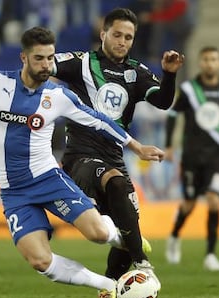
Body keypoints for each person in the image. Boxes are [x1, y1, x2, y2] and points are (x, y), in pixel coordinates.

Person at [0, 26, 165, 298]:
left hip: (49, 179)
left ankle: (126, 237)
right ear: (23, 58)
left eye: (49, 58)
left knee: (97, 235)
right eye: (39, 59)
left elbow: (99, 121)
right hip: (14, 192)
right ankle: (108, 287)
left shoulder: (58, 96)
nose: (46, 65)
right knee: (40, 262)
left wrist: (136, 146)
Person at [52, 7, 184, 282]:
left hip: (114, 158)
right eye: (117, 35)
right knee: (115, 183)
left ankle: (111, 289)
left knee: (128, 230)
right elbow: (44, 65)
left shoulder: (136, 72)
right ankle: (144, 263)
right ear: (103, 34)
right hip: (80, 158)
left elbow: (162, 101)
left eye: (128, 37)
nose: (122, 41)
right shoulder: (81, 63)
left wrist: (169, 75)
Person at [164, 46, 219, 271]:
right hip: (192, 156)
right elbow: (174, 115)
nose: (210, 63)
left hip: (218, 157)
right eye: (206, 59)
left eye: (214, 59)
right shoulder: (188, 89)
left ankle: (210, 255)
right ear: (200, 62)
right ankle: (174, 237)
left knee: (215, 201)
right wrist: (169, 145)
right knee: (189, 204)